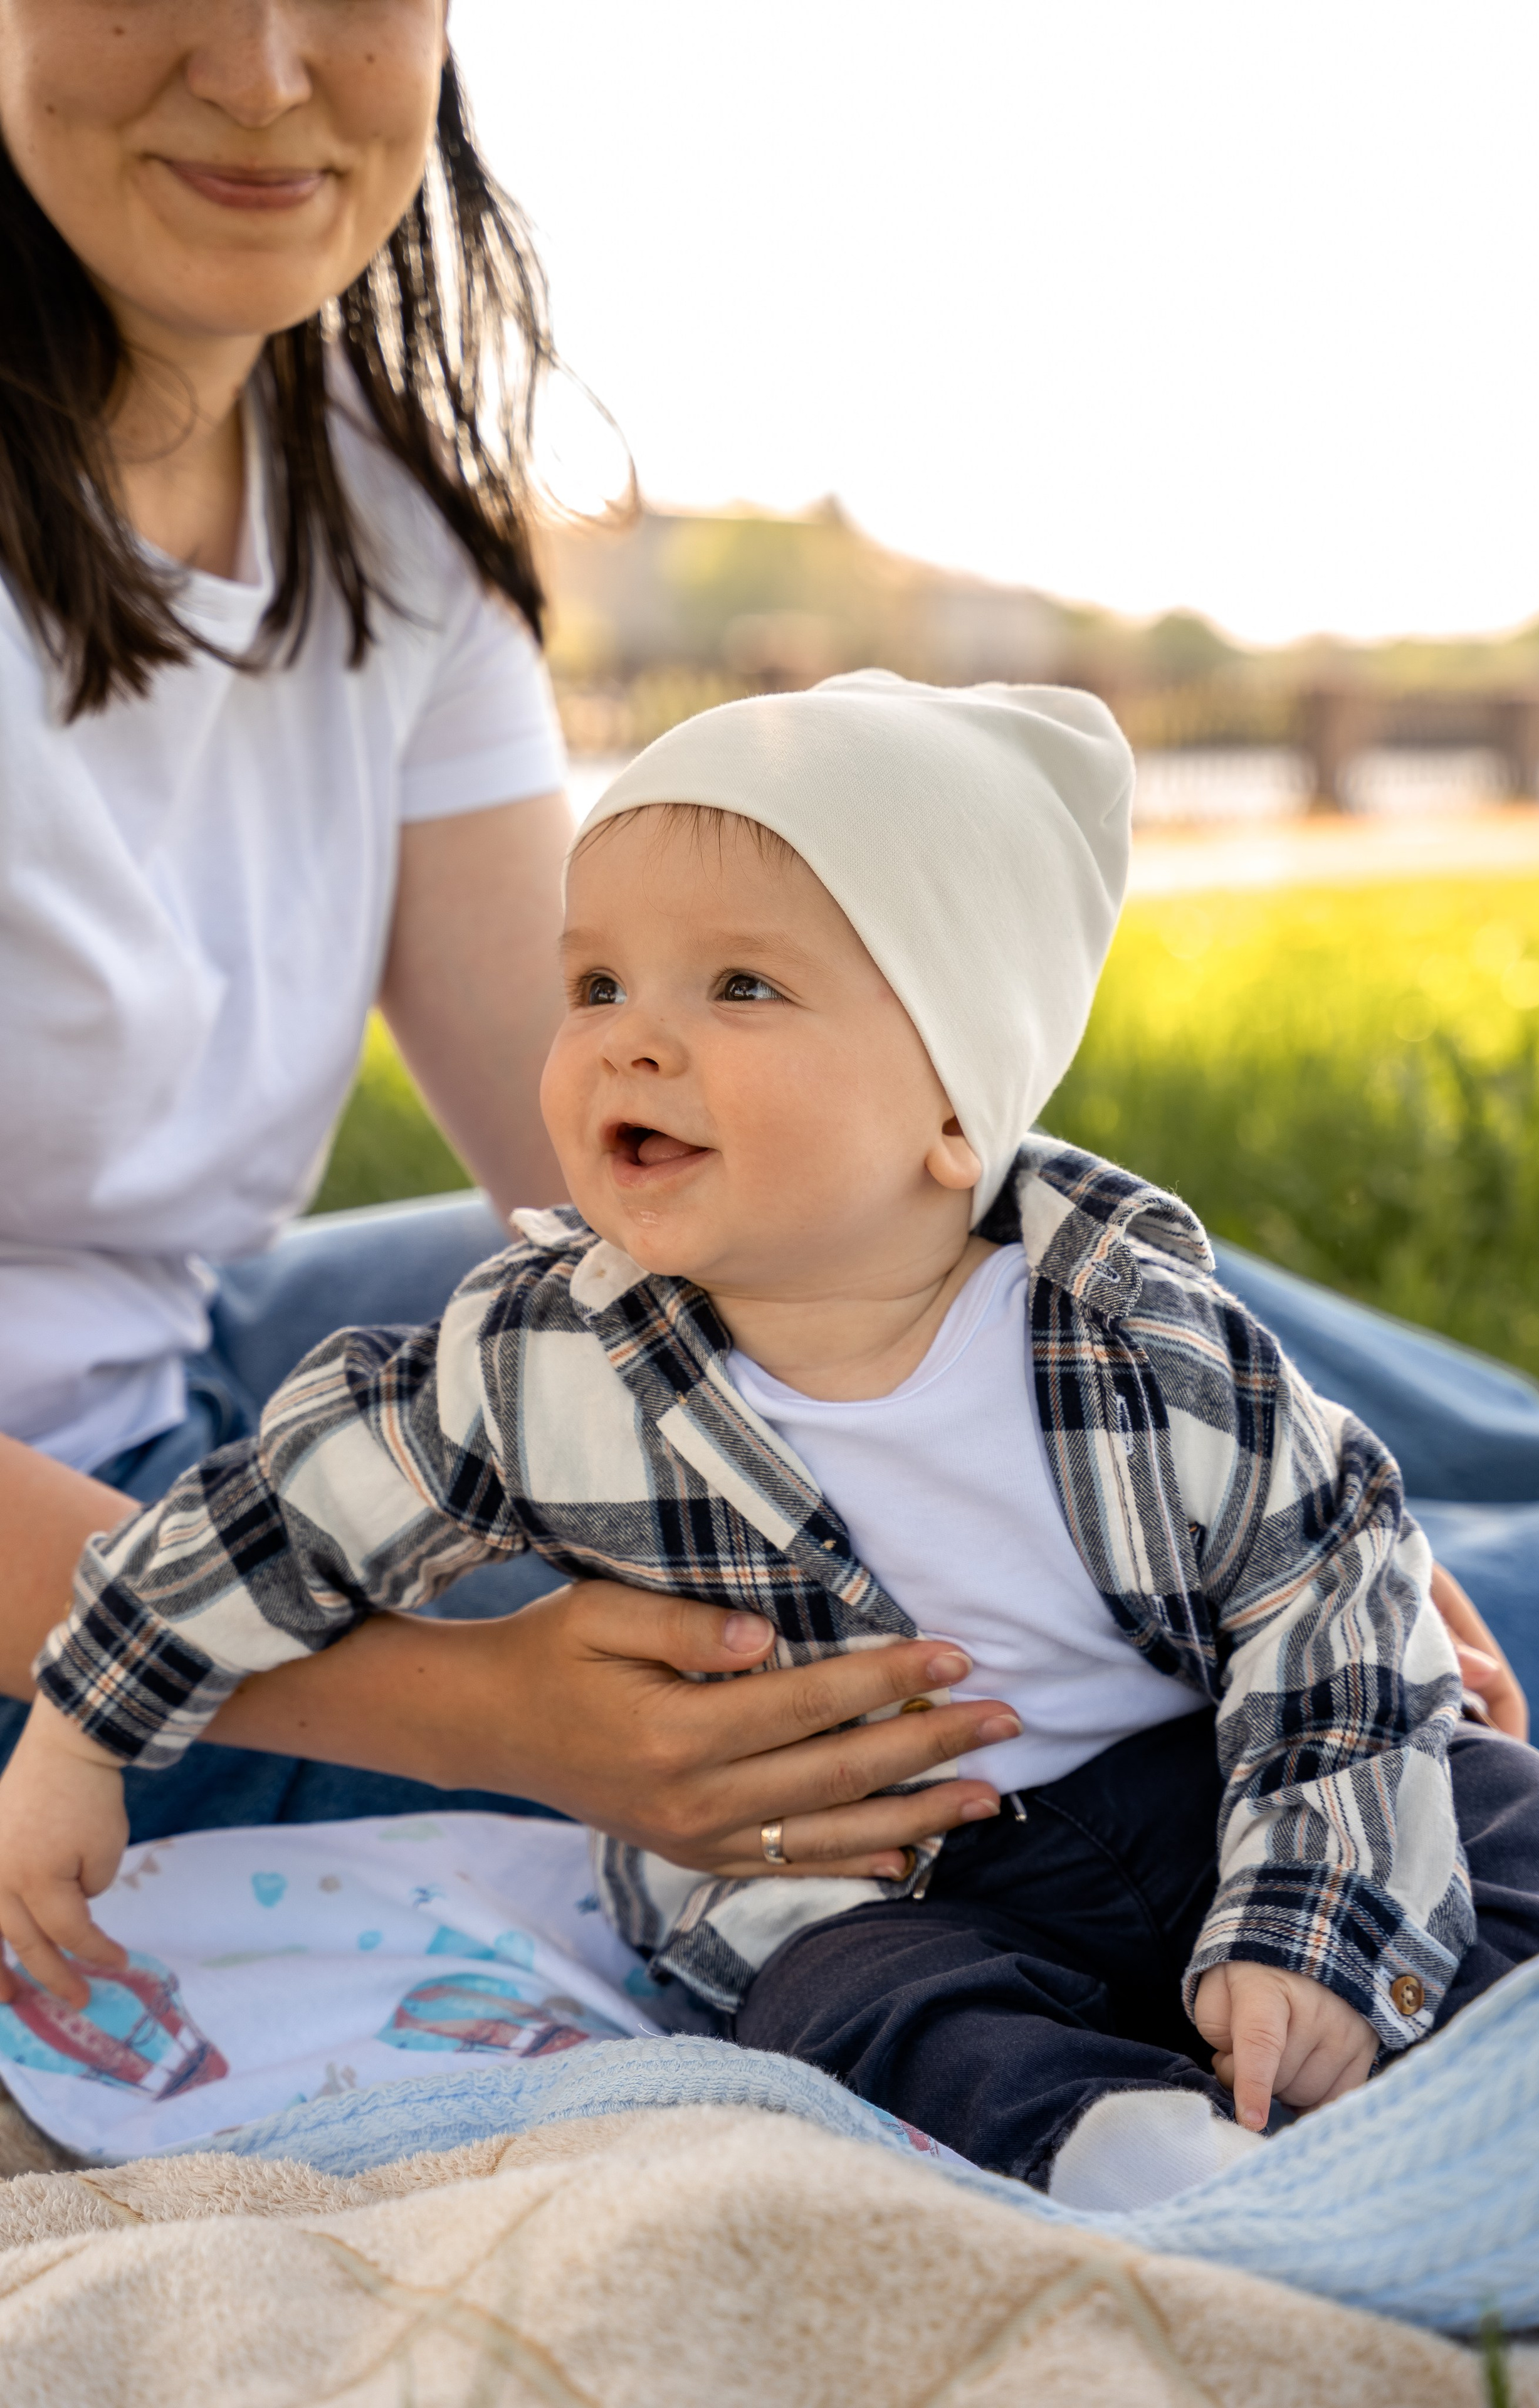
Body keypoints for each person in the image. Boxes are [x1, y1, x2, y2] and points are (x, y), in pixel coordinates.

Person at [6, 673, 1539, 2192]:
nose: (630, 1036)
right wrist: (82, 1729)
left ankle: (1515, 2084)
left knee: (1480, 1797)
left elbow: (1326, 1609)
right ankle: (1123, 2152)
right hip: (863, 1881)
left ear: (957, 1111)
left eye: (741, 986)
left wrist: (1305, 1921)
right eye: (595, 984)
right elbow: (279, 1515)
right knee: (841, 2016)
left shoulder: (1132, 1336)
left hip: (1182, 1779)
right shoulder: (541, 1359)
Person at [0, 0, 1022, 1884]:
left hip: (195, 1358)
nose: (264, 69)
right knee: (1000, 1717)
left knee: (918, 1230)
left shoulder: (387, 534)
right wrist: (480, 1702)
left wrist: (1229, 1486)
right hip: (41, 1589)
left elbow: (608, 1149)